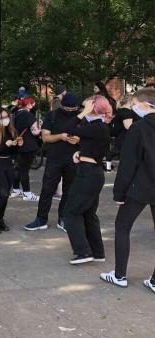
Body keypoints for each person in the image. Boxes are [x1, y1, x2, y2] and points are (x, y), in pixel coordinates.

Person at [100, 88, 155, 292]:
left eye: (134, 104)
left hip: (139, 187)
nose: (133, 108)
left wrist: (119, 193)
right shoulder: (139, 127)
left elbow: (127, 164)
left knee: (122, 227)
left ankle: (119, 274)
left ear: (145, 105)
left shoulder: (138, 129)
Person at [62, 96, 112, 265]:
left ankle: (83, 252)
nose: (81, 109)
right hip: (92, 171)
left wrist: (82, 113)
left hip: (89, 174)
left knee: (71, 212)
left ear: (92, 108)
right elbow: (90, 146)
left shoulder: (97, 127)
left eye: (85, 106)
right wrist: (80, 153)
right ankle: (97, 252)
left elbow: (67, 128)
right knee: (89, 214)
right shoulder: (97, 127)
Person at [24, 93, 81, 231]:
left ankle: (63, 218)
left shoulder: (80, 116)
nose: (70, 111)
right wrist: (60, 136)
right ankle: (41, 219)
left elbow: (88, 135)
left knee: (69, 190)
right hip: (54, 159)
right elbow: (45, 138)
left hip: (73, 160)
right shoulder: (52, 116)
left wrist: (79, 139)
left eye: (73, 109)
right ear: (62, 105)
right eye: (67, 109)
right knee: (47, 190)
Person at [10, 97, 41, 201]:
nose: (33, 106)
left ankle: (15, 190)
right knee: (25, 170)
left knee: (18, 168)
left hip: (18, 144)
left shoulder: (15, 114)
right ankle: (27, 193)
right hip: (28, 145)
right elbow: (35, 132)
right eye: (33, 104)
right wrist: (40, 128)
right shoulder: (29, 115)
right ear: (28, 105)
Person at [94, 81, 117, 172]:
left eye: (95, 88)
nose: (94, 90)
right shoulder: (111, 100)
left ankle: (98, 164)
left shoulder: (97, 99)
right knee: (106, 146)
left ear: (100, 89)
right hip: (107, 125)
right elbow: (115, 112)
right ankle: (108, 167)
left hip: (97, 124)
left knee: (96, 144)